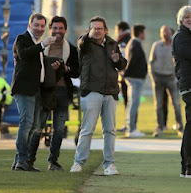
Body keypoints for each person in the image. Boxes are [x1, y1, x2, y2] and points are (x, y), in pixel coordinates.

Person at [70, 16, 127, 174]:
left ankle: (109, 165)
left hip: (110, 92)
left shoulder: (112, 44)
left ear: (106, 30)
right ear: (89, 30)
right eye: (93, 28)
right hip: (91, 91)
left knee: (110, 131)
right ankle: (78, 163)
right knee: (87, 130)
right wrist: (87, 35)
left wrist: (117, 60)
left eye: (99, 28)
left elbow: (122, 64)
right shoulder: (85, 43)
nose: (96, 31)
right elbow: (81, 43)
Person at [27, 16, 79, 171]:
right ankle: (29, 160)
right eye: (55, 28)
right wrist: (51, 68)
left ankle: (53, 161)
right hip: (45, 91)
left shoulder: (72, 49)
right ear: (50, 29)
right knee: (38, 127)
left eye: (61, 28)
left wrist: (65, 69)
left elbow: (77, 71)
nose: (58, 31)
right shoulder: (41, 47)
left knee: (59, 128)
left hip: (63, 91)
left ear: (65, 30)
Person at [10, 13, 57, 171]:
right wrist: (43, 44)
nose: (39, 28)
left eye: (42, 26)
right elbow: (24, 54)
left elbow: (39, 66)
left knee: (31, 125)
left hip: (36, 89)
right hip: (24, 89)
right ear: (30, 25)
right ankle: (22, 159)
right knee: (26, 124)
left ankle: (19, 161)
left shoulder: (37, 43)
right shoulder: (22, 38)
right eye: (36, 25)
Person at [149, 25, 183, 137]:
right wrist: (153, 76)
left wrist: (176, 74)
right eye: (162, 32)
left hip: (171, 78)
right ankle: (160, 127)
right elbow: (151, 62)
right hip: (158, 78)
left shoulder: (176, 44)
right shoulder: (156, 45)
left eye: (166, 31)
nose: (164, 34)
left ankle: (180, 127)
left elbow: (181, 60)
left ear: (171, 33)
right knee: (158, 105)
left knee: (176, 104)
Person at [172, 5, 191, 178]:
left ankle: (186, 167)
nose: (190, 19)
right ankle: (187, 166)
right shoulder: (181, 37)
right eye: (187, 17)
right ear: (181, 20)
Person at [124, 25, 147, 138]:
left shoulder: (134, 43)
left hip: (135, 78)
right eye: (144, 32)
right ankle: (131, 129)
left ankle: (132, 128)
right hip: (135, 79)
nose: (145, 34)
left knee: (133, 103)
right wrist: (125, 73)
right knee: (133, 103)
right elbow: (132, 60)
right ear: (140, 33)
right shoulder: (135, 43)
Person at [115, 21, 131, 132]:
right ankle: (128, 124)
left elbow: (124, 56)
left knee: (128, 100)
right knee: (127, 99)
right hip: (125, 73)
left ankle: (129, 125)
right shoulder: (127, 38)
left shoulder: (124, 40)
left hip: (125, 73)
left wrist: (122, 71)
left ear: (120, 29)